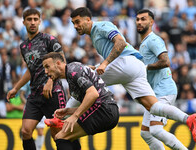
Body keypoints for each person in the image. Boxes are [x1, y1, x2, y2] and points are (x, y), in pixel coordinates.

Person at [70, 7, 196, 142]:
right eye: (73, 23)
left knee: (84, 81)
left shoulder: (102, 26)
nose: (76, 26)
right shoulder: (97, 35)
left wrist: (104, 64)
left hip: (128, 65)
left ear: (88, 19)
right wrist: (96, 66)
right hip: (133, 68)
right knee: (153, 110)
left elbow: (120, 43)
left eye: (77, 22)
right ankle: (189, 119)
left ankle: (62, 116)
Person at [6, 8, 74, 150]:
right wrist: (16, 88)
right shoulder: (23, 46)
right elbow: (31, 70)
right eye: (29, 19)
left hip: (53, 92)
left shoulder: (48, 39)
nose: (32, 22)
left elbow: (62, 62)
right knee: (25, 131)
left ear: (40, 21)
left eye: (35, 19)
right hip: (35, 94)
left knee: (58, 134)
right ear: (23, 22)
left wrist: (50, 81)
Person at [42, 52, 119, 150]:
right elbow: (92, 103)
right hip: (106, 110)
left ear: (58, 63)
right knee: (68, 137)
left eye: (47, 67)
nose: (45, 71)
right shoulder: (72, 72)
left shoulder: (73, 71)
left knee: (61, 137)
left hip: (104, 110)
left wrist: (75, 116)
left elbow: (93, 94)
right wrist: (68, 111)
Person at [136, 9, 188, 150]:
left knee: (156, 130)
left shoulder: (153, 39)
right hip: (154, 93)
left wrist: (145, 68)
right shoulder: (143, 43)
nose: (139, 22)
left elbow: (165, 61)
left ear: (151, 22)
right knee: (145, 133)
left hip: (164, 90)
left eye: (143, 19)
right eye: (138, 19)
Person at [20, 80, 45, 150]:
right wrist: (28, 103)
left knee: (40, 131)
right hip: (31, 107)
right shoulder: (28, 80)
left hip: (42, 106)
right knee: (27, 131)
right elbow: (21, 94)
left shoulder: (47, 78)